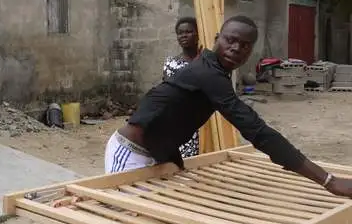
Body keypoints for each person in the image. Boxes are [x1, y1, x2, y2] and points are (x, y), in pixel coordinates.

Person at [104, 14, 352, 197]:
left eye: (245, 45)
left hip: (157, 153)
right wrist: (328, 181)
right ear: (216, 39)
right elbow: (257, 131)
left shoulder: (215, 73)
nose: (236, 49)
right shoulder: (207, 73)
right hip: (131, 152)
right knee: (119, 218)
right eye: (230, 40)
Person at [162, 16, 201, 158]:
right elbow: (168, 93)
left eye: (188, 32)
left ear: (198, 34)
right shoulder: (171, 63)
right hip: (180, 121)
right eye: (180, 33)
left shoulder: (207, 62)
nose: (183, 35)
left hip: (204, 121)